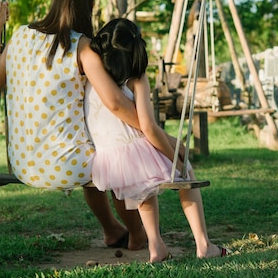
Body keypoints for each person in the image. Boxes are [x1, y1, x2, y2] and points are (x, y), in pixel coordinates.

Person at [0, 0, 146, 250]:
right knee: (116, 155)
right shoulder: (81, 46)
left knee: (91, 156)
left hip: (23, 164)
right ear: (91, 3)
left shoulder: (20, 36)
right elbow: (116, 104)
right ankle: (137, 234)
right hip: (67, 166)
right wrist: (152, 133)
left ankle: (111, 229)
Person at [84, 18, 228, 263]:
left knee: (144, 192)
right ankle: (204, 245)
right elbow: (149, 128)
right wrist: (177, 160)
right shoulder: (137, 79)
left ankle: (156, 246)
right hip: (135, 147)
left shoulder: (92, 79)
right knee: (186, 171)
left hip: (107, 157)